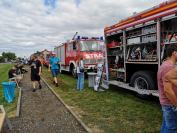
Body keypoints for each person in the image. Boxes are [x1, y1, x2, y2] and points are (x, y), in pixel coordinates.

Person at [157, 45, 177, 133]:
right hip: (170, 104)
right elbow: (168, 90)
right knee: (172, 128)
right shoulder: (169, 67)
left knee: (166, 125)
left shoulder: (166, 64)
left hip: (167, 103)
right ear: (174, 53)